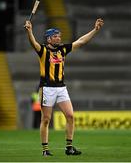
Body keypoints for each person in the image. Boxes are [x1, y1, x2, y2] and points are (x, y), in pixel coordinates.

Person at [24, 18, 104, 156]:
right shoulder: (42, 50)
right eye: (55, 36)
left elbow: (81, 41)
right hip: (47, 88)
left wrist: (95, 30)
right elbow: (33, 43)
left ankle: (69, 147)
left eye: (59, 36)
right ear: (49, 39)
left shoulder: (63, 49)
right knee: (46, 119)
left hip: (61, 88)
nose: (58, 38)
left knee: (70, 116)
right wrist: (30, 31)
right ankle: (45, 149)